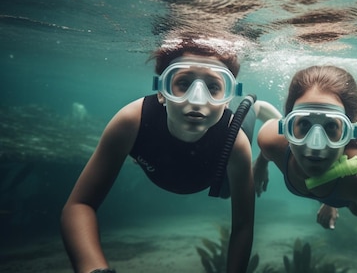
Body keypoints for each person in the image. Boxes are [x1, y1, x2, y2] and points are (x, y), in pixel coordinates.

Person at [61, 33, 268, 273]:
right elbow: (79, 205)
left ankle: (257, 106)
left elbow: (243, 225)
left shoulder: (236, 142)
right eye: (183, 83)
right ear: (161, 90)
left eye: (213, 87)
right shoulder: (131, 121)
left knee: (227, 189)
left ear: (226, 99)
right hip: (191, 166)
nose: (198, 99)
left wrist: (261, 162)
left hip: (218, 172)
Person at [253, 65, 357, 230]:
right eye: (304, 124)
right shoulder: (270, 140)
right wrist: (260, 165)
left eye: (330, 126)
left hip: (348, 178)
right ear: (286, 127)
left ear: (348, 132)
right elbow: (267, 151)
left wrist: (331, 202)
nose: (315, 145)